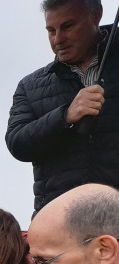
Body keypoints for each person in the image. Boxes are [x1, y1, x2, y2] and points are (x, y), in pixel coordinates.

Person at [6, 0, 119, 215]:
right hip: (61, 221)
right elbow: (17, 143)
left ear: (96, 16)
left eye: (68, 26)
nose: (58, 39)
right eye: (51, 30)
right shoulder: (30, 85)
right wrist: (65, 116)